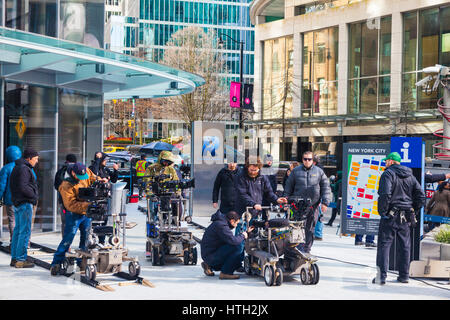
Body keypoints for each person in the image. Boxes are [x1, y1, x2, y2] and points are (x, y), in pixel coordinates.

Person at [373, 152, 426, 285]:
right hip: (406, 215)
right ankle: (404, 276)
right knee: (405, 246)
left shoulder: (388, 174)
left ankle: (381, 277)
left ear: (391, 161)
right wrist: (414, 209)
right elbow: (421, 196)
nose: (385, 163)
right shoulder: (410, 176)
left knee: (384, 246)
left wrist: (383, 212)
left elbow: (385, 193)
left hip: (391, 214)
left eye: (386, 161)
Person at [50, 163, 107, 275]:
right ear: (73, 173)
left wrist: (101, 180)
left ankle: (82, 261)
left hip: (86, 212)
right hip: (73, 214)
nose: (83, 179)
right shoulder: (65, 185)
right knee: (68, 238)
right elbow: (70, 204)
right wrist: (87, 206)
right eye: (79, 177)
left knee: (86, 237)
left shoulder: (85, 171)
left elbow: (92, 177)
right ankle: (56, 262)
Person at [284, 151, 332, 253]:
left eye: (309, 159)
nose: (307, 161)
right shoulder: (295, 171)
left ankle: (307, 250)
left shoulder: (319, 172)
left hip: (313, 206)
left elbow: (326, 188)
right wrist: (285, 201)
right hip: (297, 206)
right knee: (296, 227)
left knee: (310, 229)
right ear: (302, 160)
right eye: (305, 159)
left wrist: (325, 202)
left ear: (313, 161)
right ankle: (297, 249)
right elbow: (288, 187)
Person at [200, 210, 254, 280]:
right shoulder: (221, 225)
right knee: (238, 246)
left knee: (236, 251)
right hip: (211, 256)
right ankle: (226, 273)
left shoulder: (221, 222)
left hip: (210, 253)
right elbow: (233, 241)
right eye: (236, 223)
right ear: (232, 221)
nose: (236, 225)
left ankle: (209, 266)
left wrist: (246, 233)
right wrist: (243, 236)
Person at [9, 147, 39, 268]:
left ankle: (15, 258)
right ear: (30, 158)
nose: (37, 161)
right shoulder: (24, 169)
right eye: (36, 159)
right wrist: (33, 196)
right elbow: (23, 187)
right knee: (24, 231)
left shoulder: (17, 167)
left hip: (18, 202)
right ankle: (20, 259)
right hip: (24, 203)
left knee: (18, 231)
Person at [143, 151, 179, 221]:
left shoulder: (170, 169)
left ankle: (168, 221)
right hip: (154, 193)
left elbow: (176, 181)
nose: (166, 164)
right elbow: (147, 182)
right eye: (165, 161)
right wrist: (150, 194)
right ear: (161, 159)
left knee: (167, 211)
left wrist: (177, 192)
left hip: (166, 194)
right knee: (152, 212)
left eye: (168, 162)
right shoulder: (151, 168)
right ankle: (152, 224)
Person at [0, 146, 22, 245]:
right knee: (23, 221)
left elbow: (2, 186)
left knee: (12, 220)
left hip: (11, 200)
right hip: (24, 200)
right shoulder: (26, 167)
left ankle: (14, 241)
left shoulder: (6, 168)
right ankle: (26, 242)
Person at [54, 154, 77, 238]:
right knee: (73, 222)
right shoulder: (76, 171)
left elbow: (56, 186)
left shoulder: (60, 171)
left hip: (63, 201)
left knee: (65, 222)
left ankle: (66, 244)